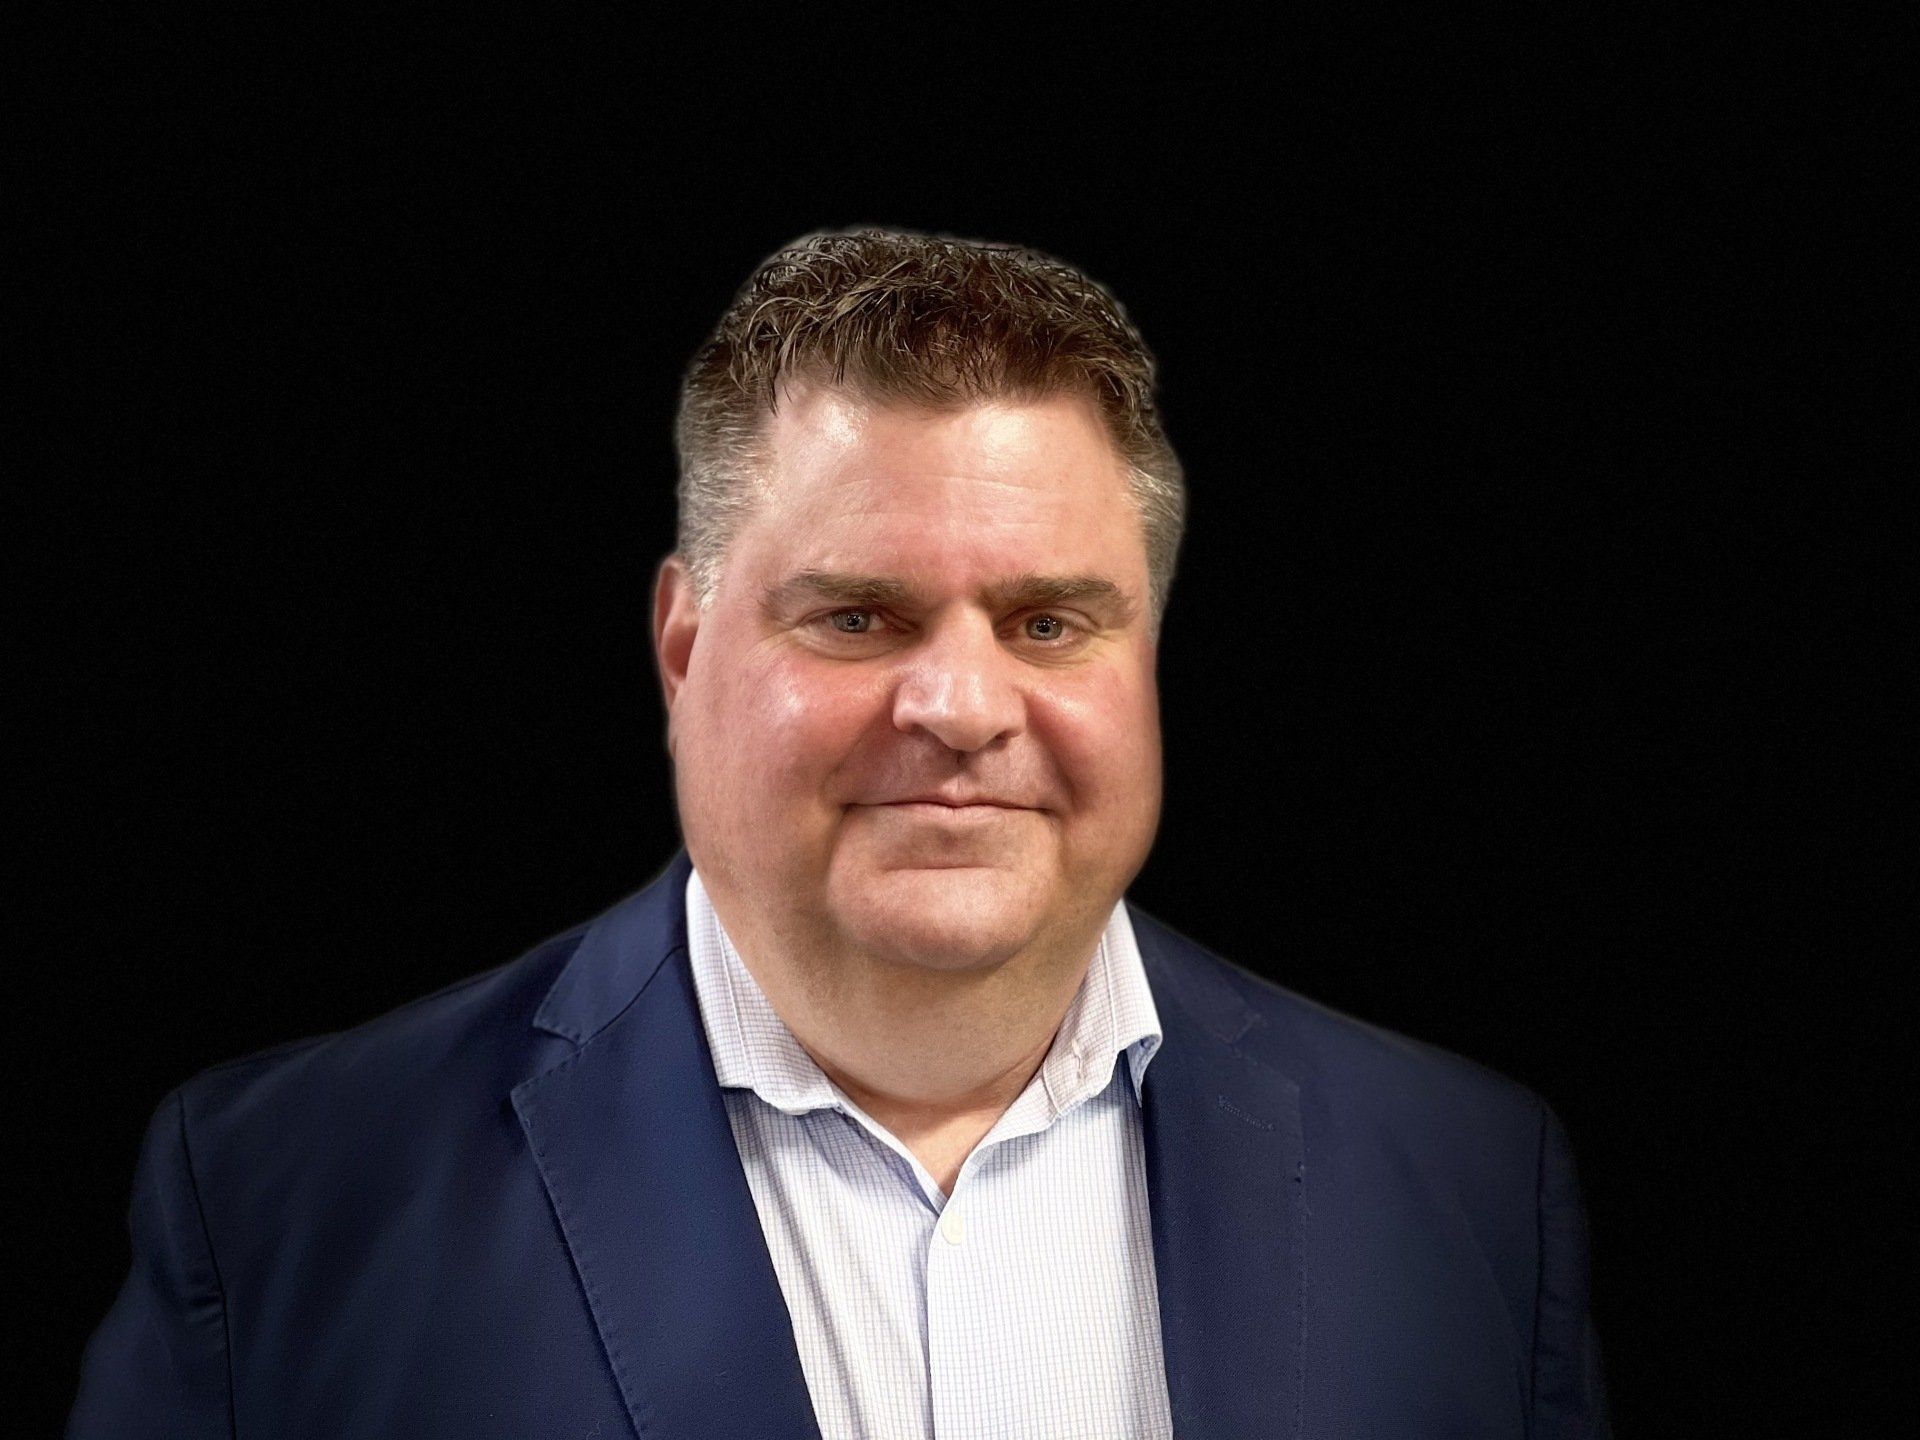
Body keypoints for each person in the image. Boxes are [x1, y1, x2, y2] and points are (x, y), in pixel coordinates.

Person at [69, 228, 1611, 1438]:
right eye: (860, 616)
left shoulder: (1466, 1184)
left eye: (1048, 620)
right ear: (682, 650)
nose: (958, 703)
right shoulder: (286, 1202)